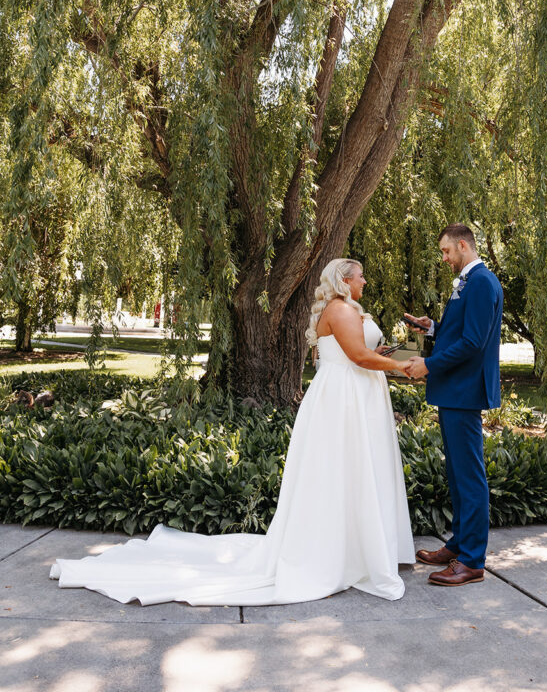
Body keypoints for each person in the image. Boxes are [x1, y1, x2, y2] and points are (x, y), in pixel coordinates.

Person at [50, 259, 416, 605]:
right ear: (344, 280)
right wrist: (404, 367)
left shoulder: (342, 310)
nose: (366, 281)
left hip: (352, 393)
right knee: (343, 469)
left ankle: (356, 545)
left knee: (351, 471)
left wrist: (379, 354)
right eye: (361, 275)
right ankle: (345, 551)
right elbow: (357, 358)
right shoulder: (340, 309)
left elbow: (341, 354)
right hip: (345, 398)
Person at [405, 224, 502, 588]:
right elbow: (461, 332)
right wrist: (433, 329)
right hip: (454, 392)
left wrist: (428, 364)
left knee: (470, 476)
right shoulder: (469, 281)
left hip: (463, 391)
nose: (444, 258)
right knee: (458, 475)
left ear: (463, 245)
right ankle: (459, 544)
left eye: (447, 251)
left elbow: (474, 343)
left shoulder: (479, 282)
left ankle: (472, 561)